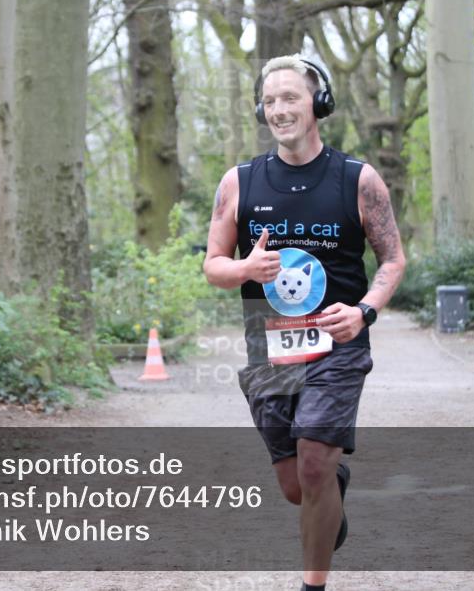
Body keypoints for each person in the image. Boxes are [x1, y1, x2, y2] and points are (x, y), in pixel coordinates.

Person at [202, 55, 406, 591]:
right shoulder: (240, 182)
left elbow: (393, 260)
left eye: (290, 98)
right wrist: (244, 268)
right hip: (269, 347)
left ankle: (313, 585)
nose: (279, 110)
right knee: (298, 486)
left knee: (313, 465)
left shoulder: (358, 179)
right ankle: (329, 492)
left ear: (318, 103)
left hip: (338, 342)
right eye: (270, 101)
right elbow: (213, 265)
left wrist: (364, 312)